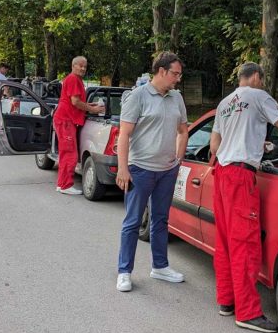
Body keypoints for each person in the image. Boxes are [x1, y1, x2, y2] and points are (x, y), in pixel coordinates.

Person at [209, 62, 278, 333]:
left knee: (224, 240)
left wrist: (257, 145)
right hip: (240, 178)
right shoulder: (259, 96)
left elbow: (215, 146)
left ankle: (226, 301)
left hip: (221, 174)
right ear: (256, 76)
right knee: (245, 244)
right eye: (262, 79)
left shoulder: (224, 103)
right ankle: (247, 313)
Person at [115, 51, 188, 292]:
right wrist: (123, 169)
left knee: (161, 220)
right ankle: (124, 271)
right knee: (133, 221)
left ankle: (160, 266)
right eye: (175, 73)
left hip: (167, 171)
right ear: (162, 71)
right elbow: (124, 134)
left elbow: (183, 130)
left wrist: (178, 160)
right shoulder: (138, 96)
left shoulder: (176, 97)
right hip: (140, 169)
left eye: (179, 74)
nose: (178, 78)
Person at [54, 56, 105, 195]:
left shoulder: (75, 79)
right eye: (80, 66)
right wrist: (93, 109)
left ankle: (62, 184)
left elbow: (77, 102)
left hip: (66, 120)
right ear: (73, 65)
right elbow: (75, 102)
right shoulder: (73, 79)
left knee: (66, 153)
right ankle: (65, 185)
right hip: (66, 120)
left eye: (85, 66)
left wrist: (89, 105)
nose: (83, 68)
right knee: (70, 153)